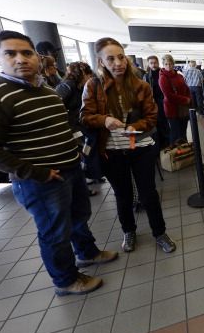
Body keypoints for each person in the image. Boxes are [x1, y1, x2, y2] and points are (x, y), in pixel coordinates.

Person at [0, 31, 118, 296]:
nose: (21, 59)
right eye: (11, 53)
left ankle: (87, 252)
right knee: (54, 232)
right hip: (41, 180)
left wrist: (76, 152)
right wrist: (34, 172)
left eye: (27, 53)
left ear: (37, 56)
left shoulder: (45, 90)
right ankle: (66, 280)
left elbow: (60, 126)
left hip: (70, 168)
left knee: (79, 216)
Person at [80, 37, 176, 254]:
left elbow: (152, 117)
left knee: (148, 193)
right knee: (122, 194)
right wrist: (104, 120)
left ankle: (159, 233)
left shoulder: (140, 85)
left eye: (121, 57)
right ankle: (129, 231)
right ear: (101, 62)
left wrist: (135, 126)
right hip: (112, 151)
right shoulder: (93, 86)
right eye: (111, 58)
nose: (118, 63)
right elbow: (85, 116)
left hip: (140, 147)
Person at [55, 61, 101, 195]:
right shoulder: (67, 86)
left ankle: (90, 175)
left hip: (78, 127)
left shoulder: (80, 87)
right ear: (81, 74)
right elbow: (56, 107)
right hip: (71, 129)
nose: (90, 77)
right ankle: (85, 182)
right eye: (88, 74)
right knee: (82, 151)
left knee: (87, 149)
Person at [159, 54, 191, 144]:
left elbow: (186, 88)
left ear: (173, 64)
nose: (168, 66)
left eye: (170, 64)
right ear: (163, 65)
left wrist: (189, 98)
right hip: (172, 109)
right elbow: (169, 96)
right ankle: (176, 154)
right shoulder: (163, 78)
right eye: (166, 64)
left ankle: (186, 152)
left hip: (183, 108)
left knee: (183, 132)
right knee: (175, 134)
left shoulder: (179, 75)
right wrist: (185, 100)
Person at [143, 55, 170, 148]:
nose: (153, 65)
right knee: (157, 123)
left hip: (164, 101)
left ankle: (167, 143)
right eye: (151, 63)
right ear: (148, 64)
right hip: (154, 103)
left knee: (165, 122)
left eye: (155, 62)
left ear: (158, 63)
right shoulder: (146, 76)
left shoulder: (163, 73)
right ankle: (160, 144)